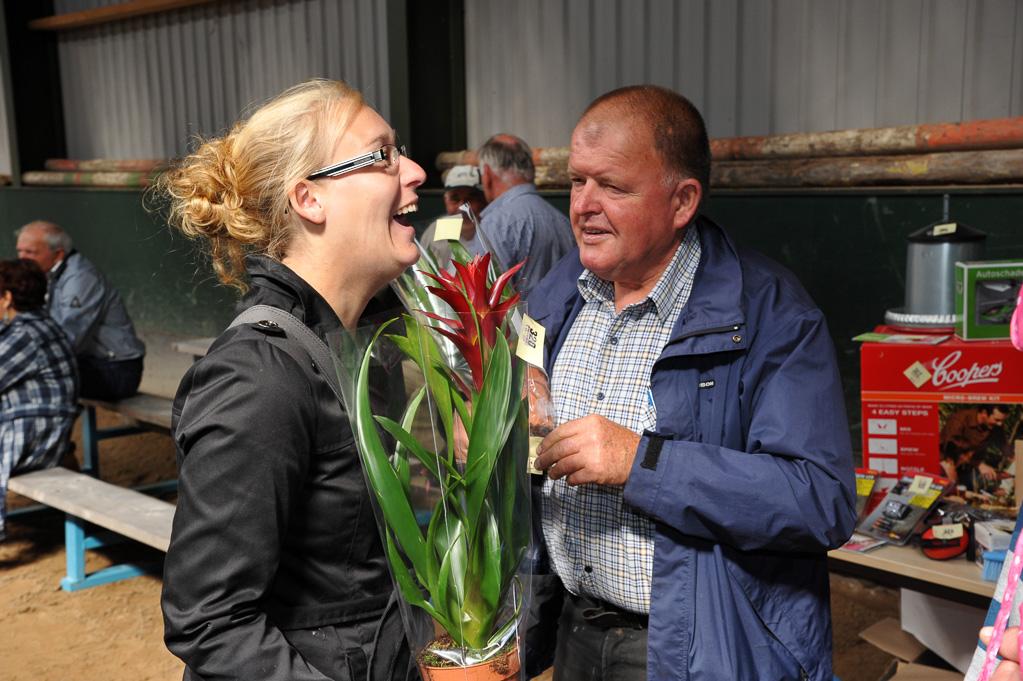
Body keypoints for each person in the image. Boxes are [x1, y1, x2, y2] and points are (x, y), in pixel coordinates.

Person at [527, 85, 856, 681]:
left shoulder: (772, 314)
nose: (583, 205)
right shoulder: (558, 293)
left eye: (613, 187)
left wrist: (641, 461)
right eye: (577, 181)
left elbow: (819, 499)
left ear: (682, 202)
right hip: (574, 630)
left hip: (699, 647)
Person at [157, 79, 427, 681]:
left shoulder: (368, 343)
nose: (413, 170)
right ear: (309, 199)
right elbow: (209, 620)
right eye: (381, 155)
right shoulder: (260, 374)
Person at [15, 221, 146, 400]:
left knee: (28, 373)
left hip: (117, 370)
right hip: (89, 362)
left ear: (58, 254)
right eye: (20, 251)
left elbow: (70, 340)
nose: (22, 259)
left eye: (30, 252)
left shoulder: (81, 278)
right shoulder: (48, 273)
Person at [0, 258, 79, 542]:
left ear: (7, 297)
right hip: (38, 430)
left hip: (36, 438)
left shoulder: (27, 333)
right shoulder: (38, 324)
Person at [477, 133, 575, 298]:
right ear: (531, 170)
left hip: (515, 324)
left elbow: (482, 298)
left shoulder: (496, 223)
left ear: (487, 174)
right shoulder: (563, 221)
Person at [417, 164, 488, 269]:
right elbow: (424, 279)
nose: (462, 207)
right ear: (446, 200)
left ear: (484, 200)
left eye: (471, 198)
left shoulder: (493, 230)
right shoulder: (439, 229)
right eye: (455, 199)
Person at [940, 404, 1014, 491]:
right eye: (997, 420)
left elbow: (1005, 448)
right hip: (947, 466)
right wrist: (979, 465)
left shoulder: (996, 427)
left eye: (1002, 421)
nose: (1000, 424)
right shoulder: (959, 420)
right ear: (984, 413)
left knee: (989, 482)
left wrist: (1017, 463)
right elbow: (951, 451)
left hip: (969, 466)